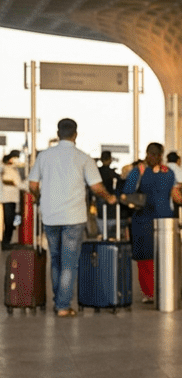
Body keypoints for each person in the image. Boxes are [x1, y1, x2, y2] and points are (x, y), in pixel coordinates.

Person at [26, 118, 118, 316]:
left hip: (50, 215)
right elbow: (96, 187)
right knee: (69, 262)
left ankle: (59, 299)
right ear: (75, 134)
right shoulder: (83, 157)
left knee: (56, 259)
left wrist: (38, 198)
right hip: (73, 217)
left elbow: (32, 186)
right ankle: (62, 305)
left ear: (58, 133)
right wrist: (109, 197)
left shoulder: (44, 156)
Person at [123, 143, 182, 303]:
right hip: (163, 220)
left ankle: (150, 293)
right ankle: (164, 289)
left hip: (144, 220)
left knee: (146, 258)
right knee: (162, 256)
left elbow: (126, 195)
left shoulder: (138, 171)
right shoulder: (167, 172)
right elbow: (175, 195)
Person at [2, 150, 21, 249]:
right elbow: (15, 182)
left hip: (12, 198)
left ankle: (7, 241)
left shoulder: (13, 168)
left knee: (11, 221)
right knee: (9, 222)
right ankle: (5, 243)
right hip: (7, 198)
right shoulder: (5, 168)